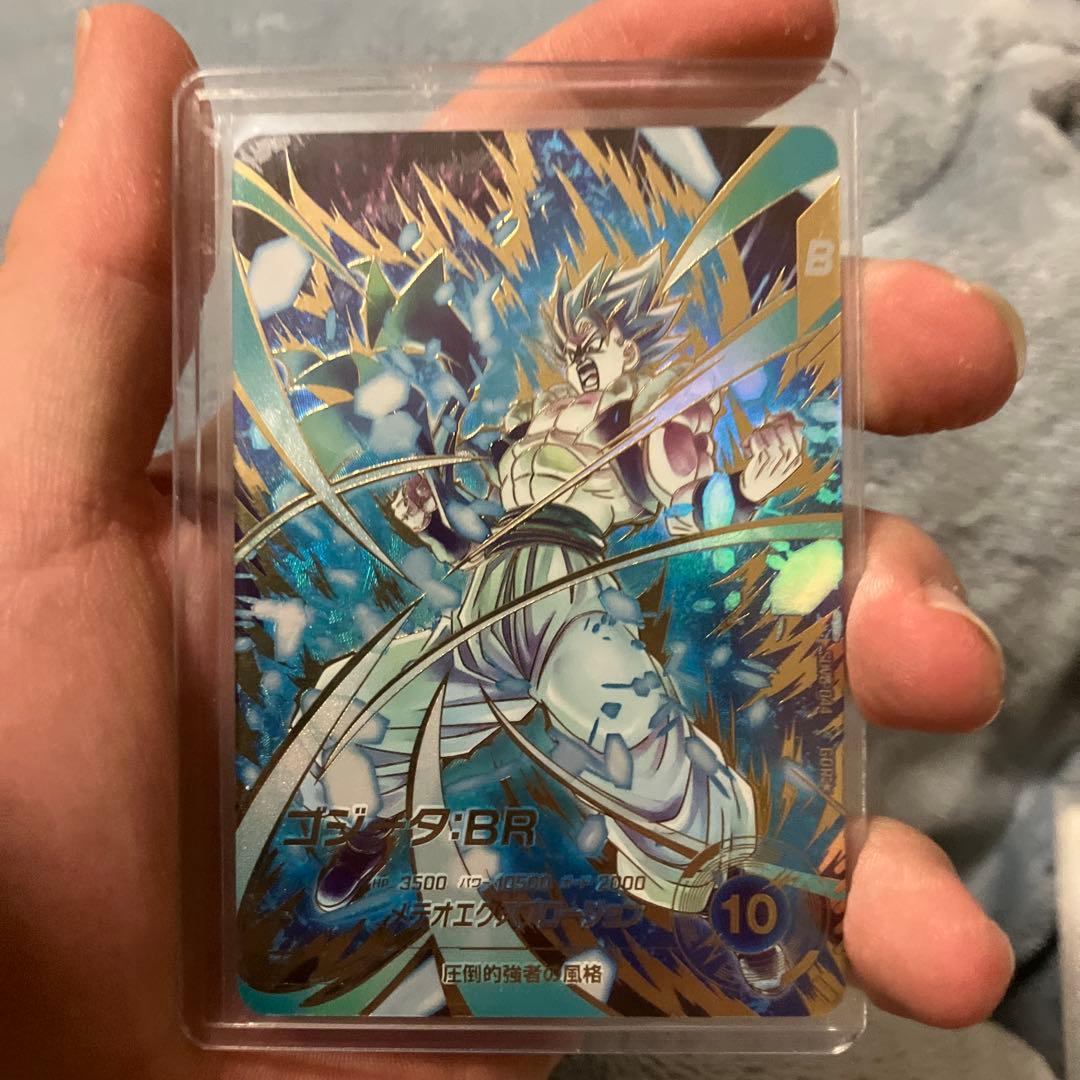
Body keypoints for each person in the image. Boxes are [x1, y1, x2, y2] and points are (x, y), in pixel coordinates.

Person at [0, 2, 1024, 1077]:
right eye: (583, 349)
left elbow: (689, 500)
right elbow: (473, 513)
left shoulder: (642, 433)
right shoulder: (523, 432)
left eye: (607, 353)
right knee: (366, 711)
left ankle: (715, 869)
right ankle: (355, 838)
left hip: (571, 591)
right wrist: (428, 515)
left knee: (638, 740)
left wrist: (751, 484)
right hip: (483, 599)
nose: (590, 367)